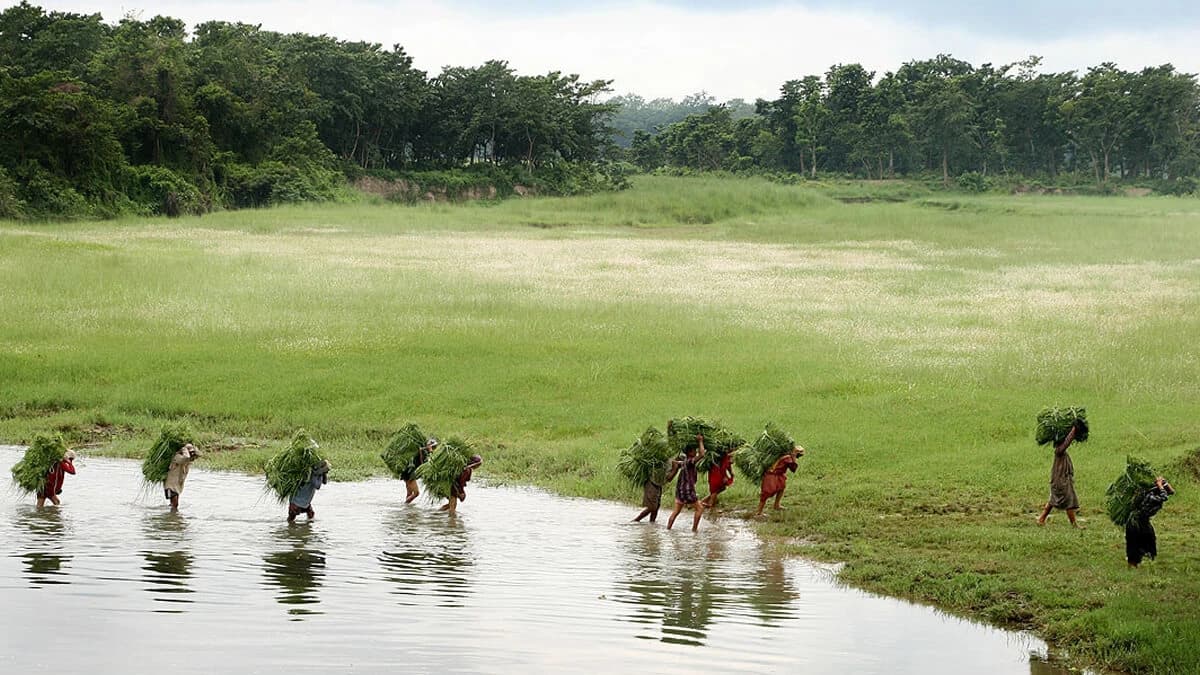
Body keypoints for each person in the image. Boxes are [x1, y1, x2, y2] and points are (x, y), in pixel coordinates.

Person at [1037, 420, 1082, 527]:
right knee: (1069, 501)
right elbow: (1067, 442)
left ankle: (1041, 519)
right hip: (1061, 481)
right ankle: (1074, 524)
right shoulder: (1059, 451)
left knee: (1053, 500)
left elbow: (1066, 441)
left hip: (1061, 480)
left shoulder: (1061, 452)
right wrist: (1074, 430)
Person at [1126, 476, 1175, 568]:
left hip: (1144, 521)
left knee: (1150, 539)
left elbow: (1171, 492)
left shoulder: (1155, 493)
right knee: (1134, 543)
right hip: (1136, 522)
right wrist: (1160, 485)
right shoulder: (1151, 496)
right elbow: (1164, 497)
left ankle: (1146, 559)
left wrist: (1164, 482)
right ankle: (1133, 564)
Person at [667, 435, 706, 532]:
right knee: (700, 508)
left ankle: (668, 529)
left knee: (676, 512)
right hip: (687, 491)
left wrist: (675, 462)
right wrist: (701, 441)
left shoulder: (684, 462)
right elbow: (702, 455)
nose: (696, 452)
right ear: (689, 453)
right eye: (694, 451)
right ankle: (694, 530)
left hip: (679, 491)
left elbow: (677, 463)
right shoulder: (689, 462)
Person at [756, 445, 804, 517]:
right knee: (767, 492)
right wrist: (794, 458)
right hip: (771, 475)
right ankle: (759, 512)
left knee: (781, 488)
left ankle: (776, 505)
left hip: (779, 475)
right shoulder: (788, 458)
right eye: (798, 455)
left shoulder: (786, 455)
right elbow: (793, 469)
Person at [633, 456, 681, 523]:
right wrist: (675, 469)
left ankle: (652, 523)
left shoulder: (670, 460)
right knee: (652, 507)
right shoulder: (669, 462)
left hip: (658, 484)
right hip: (652, 482)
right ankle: (636, 520)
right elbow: (669, 478)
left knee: (656, 507)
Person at [164, 443, 201, 512]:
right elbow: (186, 457)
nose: (192, 454)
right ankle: (172, 518)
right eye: (190, 452)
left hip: (177, 485)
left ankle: (172, 514)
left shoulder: (188, 459)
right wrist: (184, 448)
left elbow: (199, 454)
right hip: (171, 485)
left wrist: (194, 447)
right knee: (175, 504)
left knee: (175, 504)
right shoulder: (177, 457)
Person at [402, 438, 438, 504]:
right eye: (434, 447)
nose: (434, 448)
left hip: (407, 472)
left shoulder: (422, 450)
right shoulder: (424, 452)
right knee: (416, 493)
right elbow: (430, 462)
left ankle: (406, 509)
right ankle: (405, 505)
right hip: (410, 473)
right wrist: (430, 451)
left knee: (409, 493)